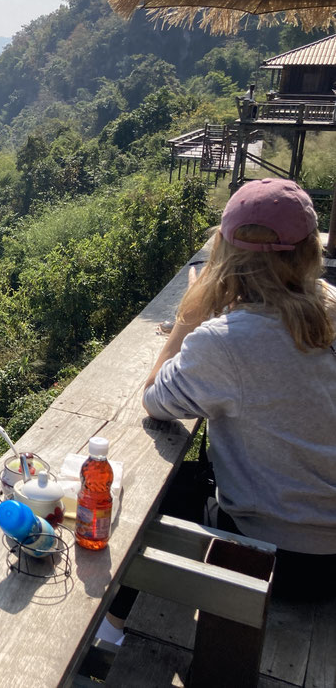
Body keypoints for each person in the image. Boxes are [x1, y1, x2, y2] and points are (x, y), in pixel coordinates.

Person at [98, 178, 336, 645]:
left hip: (276, 563)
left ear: (224, 253)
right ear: (310, 251)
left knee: (162, 488)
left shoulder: (224, 341)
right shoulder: (329, 307)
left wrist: (191, 314)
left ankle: (114, 628)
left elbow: (155, 398)